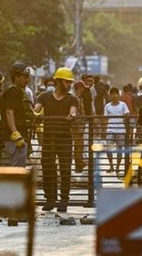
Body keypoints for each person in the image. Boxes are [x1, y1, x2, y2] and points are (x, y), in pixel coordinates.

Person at [34, 67, 78, 212]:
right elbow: (36, 110)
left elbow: (73, 111)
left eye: (70, 82)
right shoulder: (44, 96)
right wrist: (36, 115)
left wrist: (71, 116)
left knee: (65, 170)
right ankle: (50, 199)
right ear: (58, 81)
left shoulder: (72, 98)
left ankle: (64, 199)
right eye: (67, 82)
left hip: (64, 139)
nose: (69, 85)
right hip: (48, 138)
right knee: (48, 169)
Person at [2, 61, 34, 167]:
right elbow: (9, 112)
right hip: (15, 138)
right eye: (24, 77)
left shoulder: (21, 92)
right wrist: (15, 133)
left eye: (27, 77)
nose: (27, 80)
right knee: (16, 169)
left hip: (22, 135)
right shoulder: (12, 92)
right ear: (16, 77)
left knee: (20, 166)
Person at [104, 87, 130, 175]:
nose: (114, 95)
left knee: (120, 150)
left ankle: (118, 167)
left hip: (120, 130)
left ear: (118, 95)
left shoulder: (123, 105)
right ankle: (111, 166)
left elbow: (127, 114)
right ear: (110, 95)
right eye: (112, 94)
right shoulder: (107, 106)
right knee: (108, 149)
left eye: (116, 93)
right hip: (110, 130)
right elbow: (105, 118)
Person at [72, 80, 88, 172]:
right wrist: (80, 127)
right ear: (79, 88)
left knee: (80, 145)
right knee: (79, 145)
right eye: (82, 88)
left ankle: (79, 163)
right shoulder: (76, 99)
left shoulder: (78, 98)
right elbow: (77, 114)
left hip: (79, 125)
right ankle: (78, 164)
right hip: (77, 126)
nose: (84, 90)